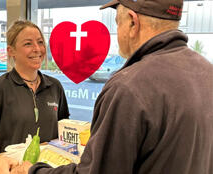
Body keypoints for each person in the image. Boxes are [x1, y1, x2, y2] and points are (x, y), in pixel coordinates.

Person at [12, 0, 213, 173]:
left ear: (133, 22)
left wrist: (34, 171)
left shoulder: (129, 87)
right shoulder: (207, 72)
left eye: (118, 23)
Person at [0, 20, 70, 174]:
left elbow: (63, 128)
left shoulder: (55, 86)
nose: (37, 49)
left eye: (40, 42)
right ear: (11, 51)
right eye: (28, 44)